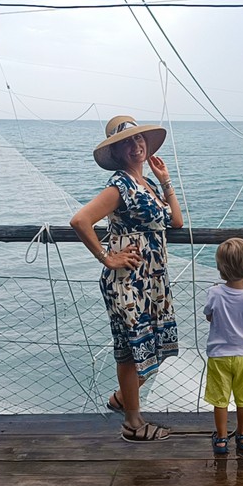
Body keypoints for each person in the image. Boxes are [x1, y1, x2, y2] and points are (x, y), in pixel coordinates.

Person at [70, 115, 183, 442]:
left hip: (153, 283)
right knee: (131, 351)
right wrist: (107, 257)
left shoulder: (145, 184)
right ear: (117, 153)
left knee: (152, 348)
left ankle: (122, 399)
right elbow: (80, 220)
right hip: (128, 281)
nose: (135, 146)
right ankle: (133, 423)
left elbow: (175, 221)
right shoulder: (120, 185)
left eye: (138, 140)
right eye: (126, 143)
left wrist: (165, 181)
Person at [203, 238, 243, 454]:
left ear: (221, 267)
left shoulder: (214, 293)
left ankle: (221, 438)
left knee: (220, 399)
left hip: (219, 355)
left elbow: (209, 316)